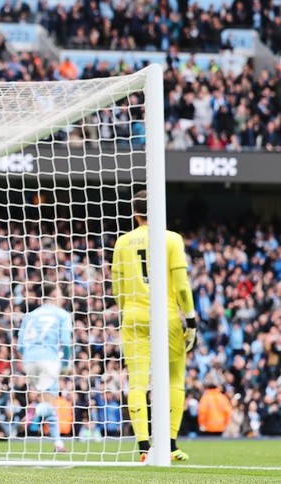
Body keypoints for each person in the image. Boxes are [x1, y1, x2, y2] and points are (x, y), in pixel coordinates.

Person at [111, 189, 197, 462]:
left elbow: (117, 288)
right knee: (175, 378)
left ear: (135, 214)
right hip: (166, 315)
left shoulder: (122, 242)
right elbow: (182, 286)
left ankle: (143, 448)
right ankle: (170, 445)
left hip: (134, 316)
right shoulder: (172, 239)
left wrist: (128, 311)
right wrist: (191, 320)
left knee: (137, 381)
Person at [17, 283, 73, 453]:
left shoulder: (30, 315)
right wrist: (66, 363)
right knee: (49, 404)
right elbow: (66, 342)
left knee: (49, 403)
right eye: (61, 294)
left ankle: (58, 443)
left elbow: (20, 345)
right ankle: (34, 411)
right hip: (48, 360)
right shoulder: (62, 314)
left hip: (29, 361)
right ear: (55, 294)